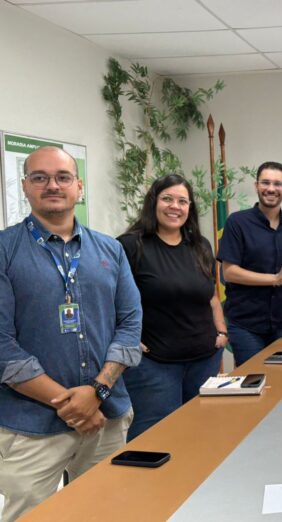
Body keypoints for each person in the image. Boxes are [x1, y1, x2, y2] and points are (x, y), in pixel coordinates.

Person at [0, 146, 142, 521]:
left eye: (63, 177)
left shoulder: (111, 249)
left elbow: (130, 325)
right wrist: (72, 404)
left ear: (79, 187)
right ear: (25, 186)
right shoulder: (4, 250)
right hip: (31, 424)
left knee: (105, 512)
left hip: (106, 416)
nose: (52, 185)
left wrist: (97, 392)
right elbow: (2, 345)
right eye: (40, 177)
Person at [117, 174, 228, 441]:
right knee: (155, 440)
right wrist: (127, 338)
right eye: (167, 199)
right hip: (154, 365)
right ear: (153, 202)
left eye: (182, 201)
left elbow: (211, 295)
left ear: (190, 207)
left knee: (200, 437)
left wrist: (222, 332)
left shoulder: (200, 246)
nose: (174, 207)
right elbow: (109, 299)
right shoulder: (130, 245)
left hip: (204, 360)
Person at [217, 161, 282, 366]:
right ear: (256, 186)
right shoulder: (237, 222)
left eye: (277, 184)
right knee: (253, 379)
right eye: (265, 182)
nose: (271, 189)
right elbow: (229, 272)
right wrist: (274, 278)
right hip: (246, 324)